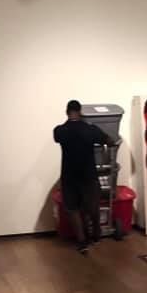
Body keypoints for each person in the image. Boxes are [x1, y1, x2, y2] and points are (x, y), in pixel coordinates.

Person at [54, 100, 111, 254]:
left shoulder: (60, 131)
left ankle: (82, 241)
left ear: (67, 112)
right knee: (92, 206)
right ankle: (96, 233)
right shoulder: (90, 130)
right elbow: (109, 140)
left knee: (72, 209)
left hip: (69, 176)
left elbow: (57, 138)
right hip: (88, 175)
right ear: (80, 112)